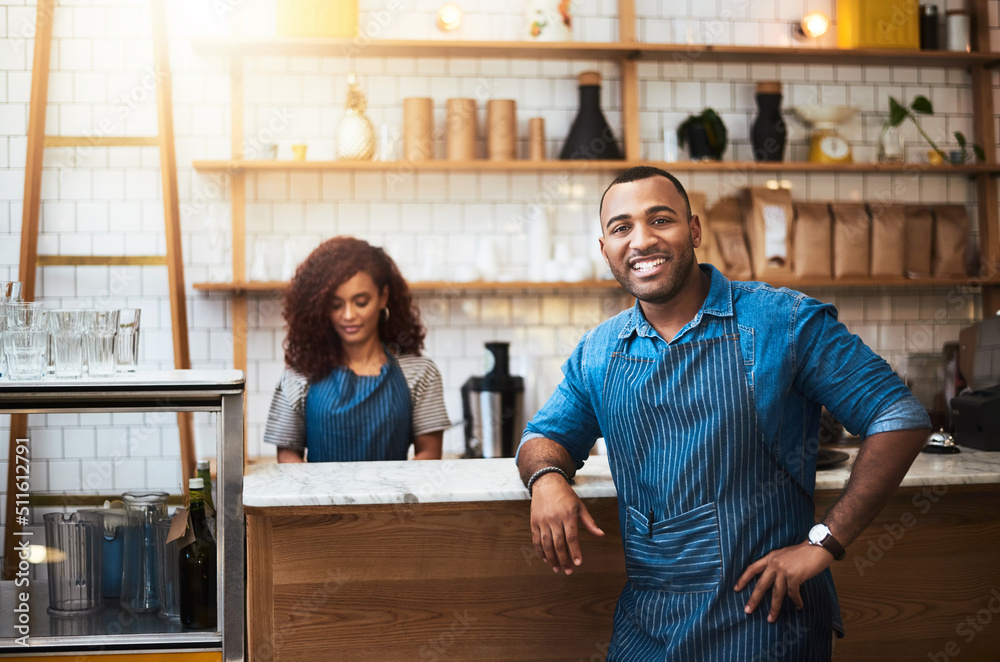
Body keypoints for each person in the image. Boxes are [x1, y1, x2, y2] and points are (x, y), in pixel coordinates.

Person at [516, 166, 930, 660]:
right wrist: (546, 479)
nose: (641, 240)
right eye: (621, 227)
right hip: (645, 633)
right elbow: (544, 435)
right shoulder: (600, 352)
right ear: (605, 248)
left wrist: (823, 543)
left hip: (764, 629)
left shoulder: (784, 321)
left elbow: (898, 415)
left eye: (660, 220)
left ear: (693, 229)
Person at [264, 236, 450, 463]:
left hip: (395, 498)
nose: (349, 315)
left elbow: (429, 453)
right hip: (318, 498)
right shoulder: (300, 373)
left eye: (361, 302)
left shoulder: (420, 372)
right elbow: (287, 454)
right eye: (336, 305)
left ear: (383, 297)